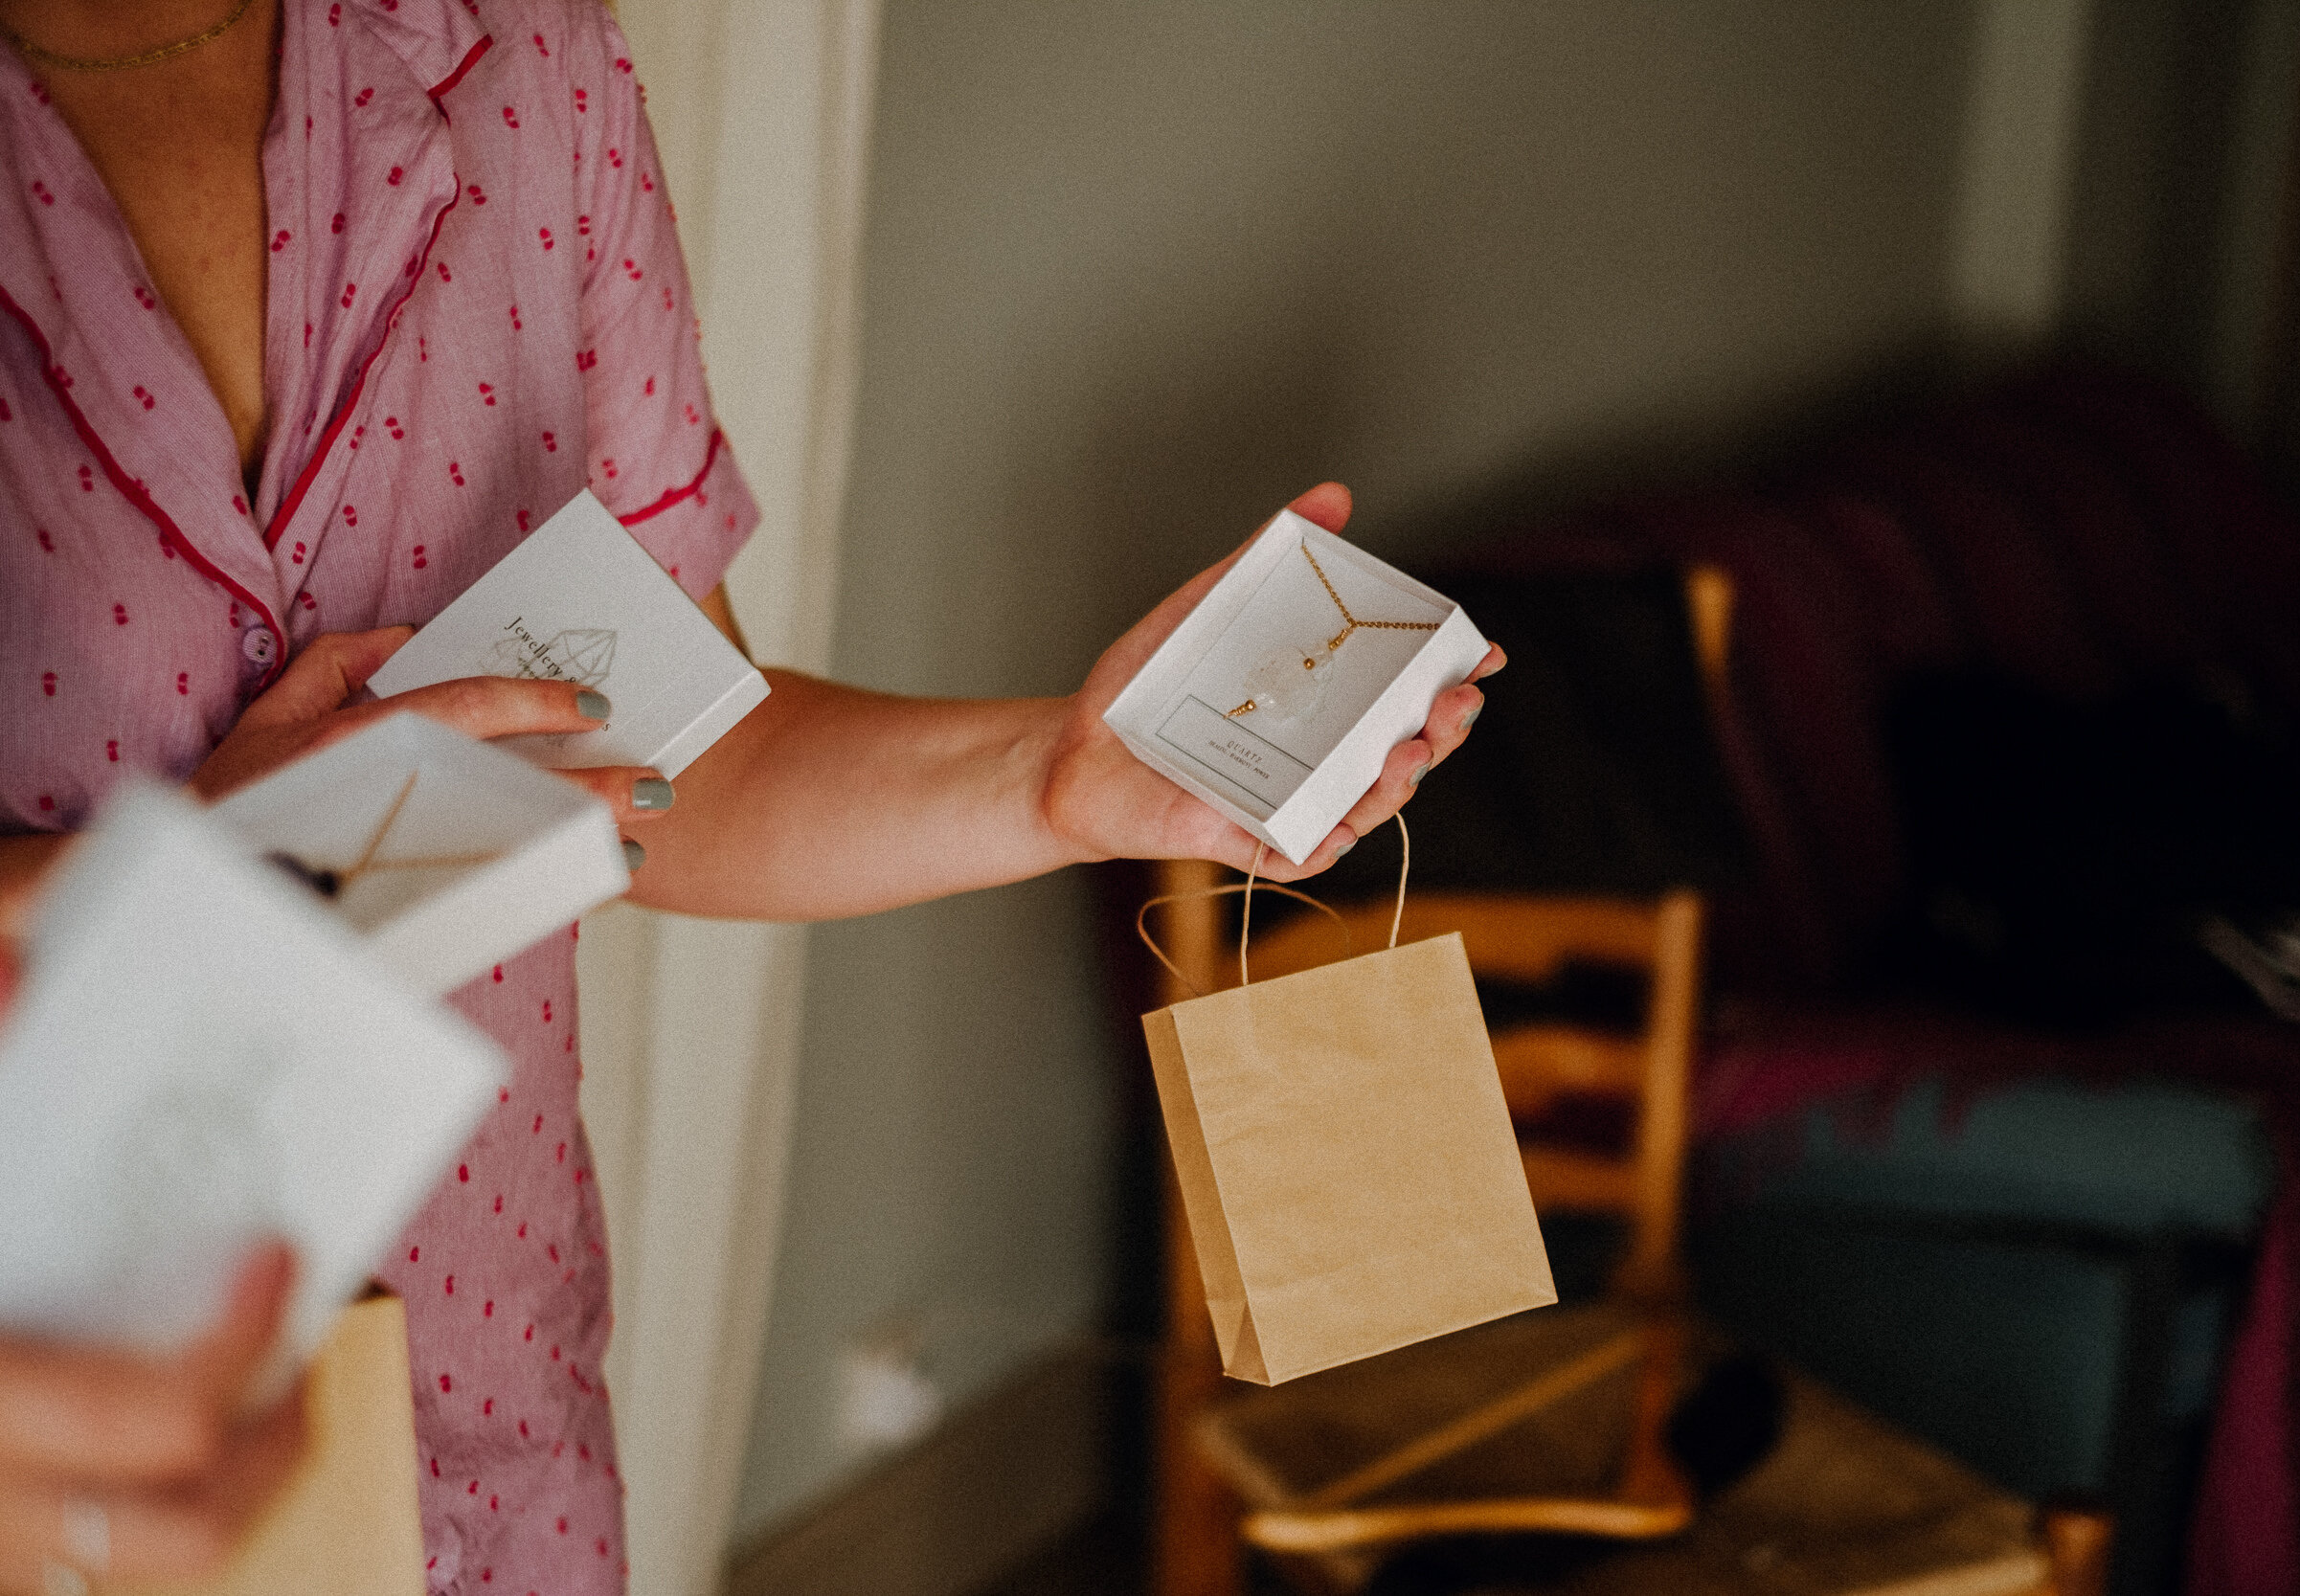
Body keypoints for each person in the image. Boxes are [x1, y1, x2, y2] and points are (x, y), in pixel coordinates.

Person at [0, 1, 1498, 1591]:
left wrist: (1051, 778)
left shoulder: (525, 46)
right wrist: (132, 886)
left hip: (490, 1423)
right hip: (65, 1440)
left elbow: (653, 751)